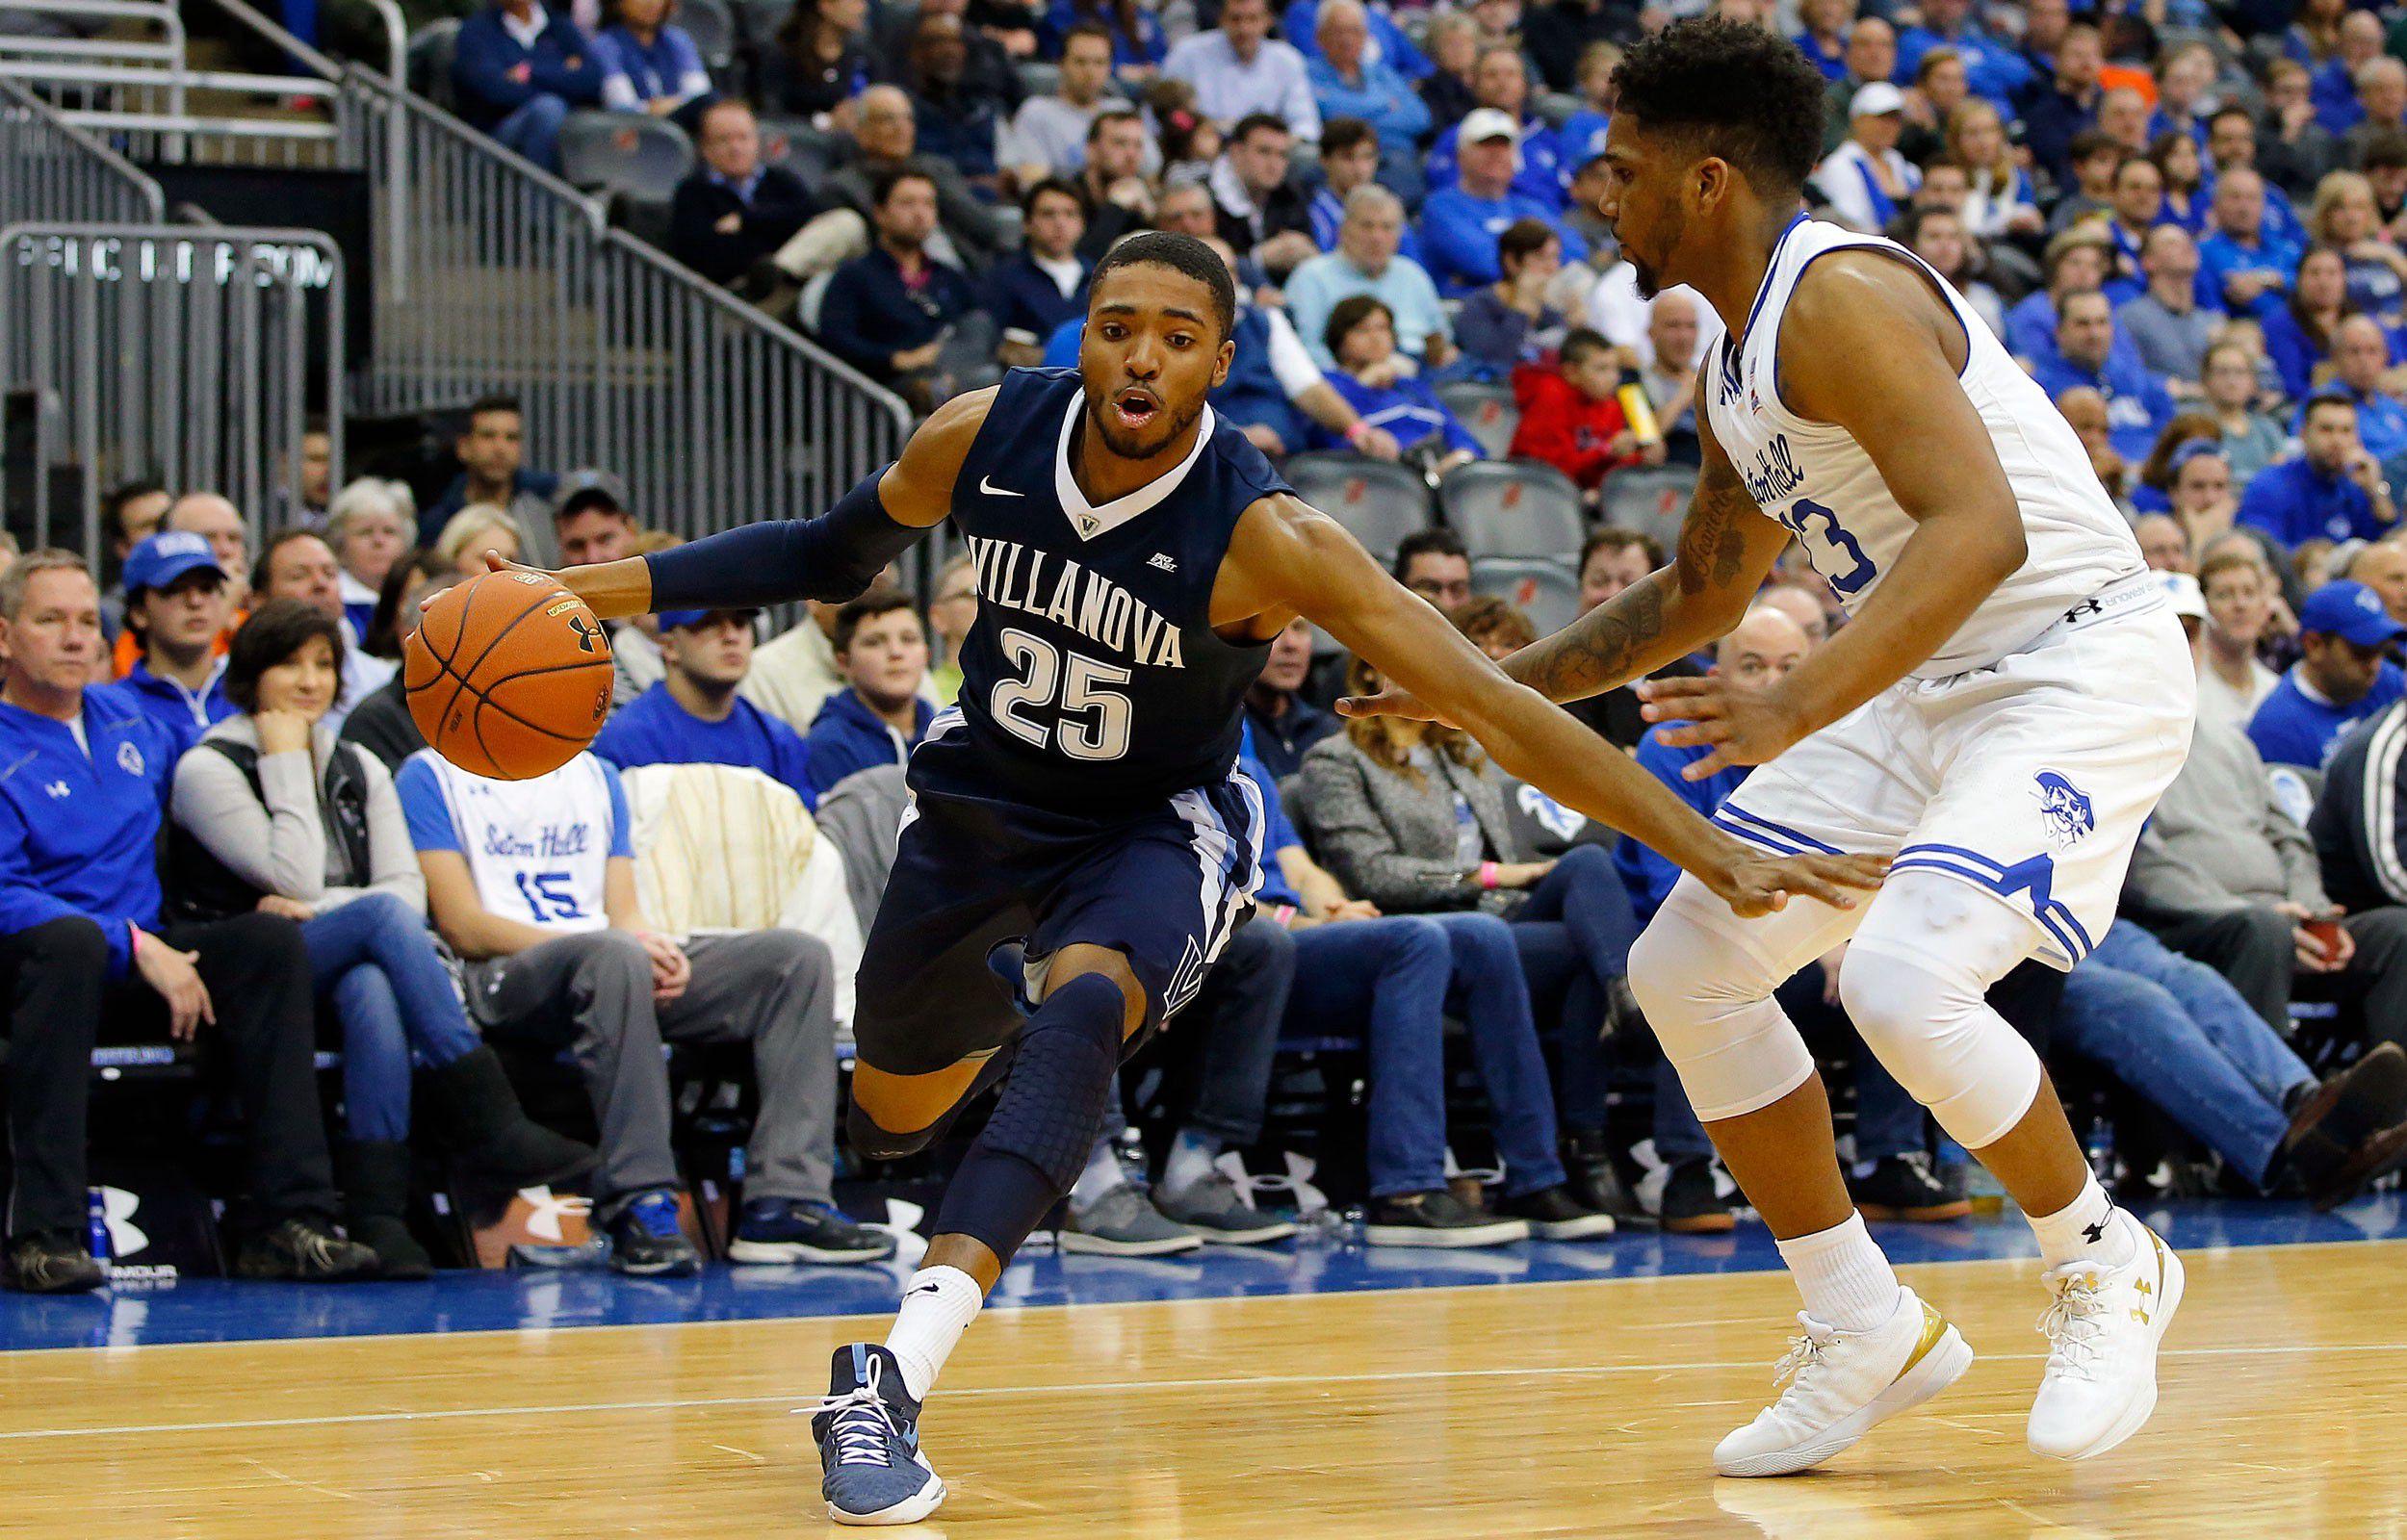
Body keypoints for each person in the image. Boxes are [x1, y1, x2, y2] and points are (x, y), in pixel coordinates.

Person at [518, 228, 1876, 1524]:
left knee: (1085, 1009)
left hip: (1152, 824)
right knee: (891, 1116)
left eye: (1176, 337)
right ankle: (1017, 1020)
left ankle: (889, 1379)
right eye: (1117, 328)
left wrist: (1704, 842)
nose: (1142, 357)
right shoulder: (982, 433)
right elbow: (822, 555)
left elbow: (1493, 704)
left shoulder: (1267, 532)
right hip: (982, 812)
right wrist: (578, 590)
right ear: (1082, 341)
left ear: (1220, 362)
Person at [1353, 21, 2195, 1476]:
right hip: (1923, 680)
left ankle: (2104, 1254)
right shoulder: (1736, 364)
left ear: (1707, 180)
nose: (1599, 195)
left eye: (1623, 169)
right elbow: (1698, 596)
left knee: (1903, 981)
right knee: (1685, 968)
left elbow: (1981, 532)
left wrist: (1796, 704)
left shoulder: (1840, 295)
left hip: (2073, 665)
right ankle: (1863, 1321)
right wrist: (1480, 692)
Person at [166, 601, 599, 1278]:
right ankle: (491, 1123)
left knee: (372, 984)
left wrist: (327, 907)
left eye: (324, 664)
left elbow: (404, 892)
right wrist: (285, 761)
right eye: (289, 664)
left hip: (331, 948)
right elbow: (291, 874)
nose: (310, 681)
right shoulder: (208, 767)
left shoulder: (359, 762)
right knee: (378, 926)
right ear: (251, 675)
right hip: (239, 967)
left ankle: (378, 1213)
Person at [0, 552, 379, 1291]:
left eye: (87, 621)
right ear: (5, 637)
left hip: (147, 957)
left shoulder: (132, 720)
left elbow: (209, 797)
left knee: (267, 942)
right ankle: (42, 1237)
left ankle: (288, 1223)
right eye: (50, 620)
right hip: (38, 968)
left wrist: (257, 887)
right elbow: (6, 892)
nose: (75, 637)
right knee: (70, 944)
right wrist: (130, 942)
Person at [397, 737, 890, 1277]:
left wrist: (655, 951)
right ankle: (641, 1203)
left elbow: (624, 913)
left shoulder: (595, 774)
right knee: (614, 956)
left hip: (608, 963)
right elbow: (463, 926)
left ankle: (784, 1203)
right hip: (500, 976)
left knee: (794, 960)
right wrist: (614, 947)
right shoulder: (430, 774)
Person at [1293, 654, 1627, 1236]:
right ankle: (1563, 1161)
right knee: (1574, 950)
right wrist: (1487, 877)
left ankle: (1622, 990)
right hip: (1420, 927)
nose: (1435, 664)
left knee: (1589, 865)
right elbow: (1373, 873)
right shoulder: (1337, 760)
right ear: (1370, 674)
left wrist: (1505, 883)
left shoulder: (1464, 753)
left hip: (1497, 921)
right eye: (1415, 654)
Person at [590, 605, 820, 807]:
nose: (731, 636)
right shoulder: (629, 739)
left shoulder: (778, 738)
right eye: (709, 623)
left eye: (740, 623)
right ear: (669, 645)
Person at [815, 168, 979, 391]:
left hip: (955, 378)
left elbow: (976, 326)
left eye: (928, 204)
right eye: (907, 203)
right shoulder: (854, 275)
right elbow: (836, 340)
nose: (920, 214)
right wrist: (896, 359)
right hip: (884, 390)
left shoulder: (949, 277)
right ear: (880, 213)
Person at [1283, 185, 1453, 371]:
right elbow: (1307, 350)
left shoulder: (1413, 274)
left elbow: (1442, 338)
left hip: (1420, 374)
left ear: (1399, 235)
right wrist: (1351, 379)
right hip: (1349, 378)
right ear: (1344, 230)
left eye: (1387, 227)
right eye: (1367, 226)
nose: (1377, 237)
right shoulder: (1311, 277)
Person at [1419, 110, 1585, 297]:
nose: (1496, 153)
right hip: (1470, 306)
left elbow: (1575, 249)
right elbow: (1482, 263)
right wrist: (1545, 262)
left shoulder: (1527, 206)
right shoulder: (1441, 207)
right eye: (1485, 145)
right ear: (1461, 155)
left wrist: (1525, 263)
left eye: (1504, 146)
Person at [2248, 579, 2407, 770]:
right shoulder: (2277, 730)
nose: (2375, 665)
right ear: (2314, 645)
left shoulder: (2383, 680)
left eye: (2381, 650)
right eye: (2361, 652)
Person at [1314, 296, 1483, 471]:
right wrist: (1361, 385)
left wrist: (1462, 455)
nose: (1375, 338)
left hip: (1439, 470)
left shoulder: (1412, 386)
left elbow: (1457, 433)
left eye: (1382, 328)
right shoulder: (1326, 385)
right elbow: (1326, 440)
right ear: (1339, 339)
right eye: (1362, 330)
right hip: (1374, 474)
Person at [667, 99, 820, 290]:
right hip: (732, 296)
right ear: (705, 148)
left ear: (756, 141)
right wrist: (777, 229)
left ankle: (777, 270)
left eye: (743, 138)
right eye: (724, 140)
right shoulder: (692, 192)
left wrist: (746, 221)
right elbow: (705, 255)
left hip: (794, 286)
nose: (736, 148)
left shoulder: (781, 180)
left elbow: (811, 217)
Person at [804, 588, 937, 797]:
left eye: (909, 639)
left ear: (927, 655)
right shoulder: (830, 743)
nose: (896, 652)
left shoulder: (949, 735)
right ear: (843, 662)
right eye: (874, 642)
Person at [452, 0, 606, 173]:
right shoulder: (476, 31)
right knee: (548, 109)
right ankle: (538, 191)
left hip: (564, 129)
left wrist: (530, 73)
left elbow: (593, 78)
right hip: (496, 140)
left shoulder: (560, 26)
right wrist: (564, 74)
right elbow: (494, 89)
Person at [117, 532, 236, 749]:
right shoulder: (116, 708)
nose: (195, 601)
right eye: (174, 590)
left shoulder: (253, 691)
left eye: (207, 588)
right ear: (139, 612)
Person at [2030, 291, 2175, 465]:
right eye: (2083, 324)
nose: (2094, 334)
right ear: (2059, 331)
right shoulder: (2040, 389)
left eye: (2101, 322)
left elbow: (2170, 436)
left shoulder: (2135, 376)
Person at [2239, 394, 2397, 548]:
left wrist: (2376, 492)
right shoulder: (2271, 485)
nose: (2337, 441)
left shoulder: (2357, 485)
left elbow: (2389, 549)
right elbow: (2262, 550)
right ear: (2303, 434)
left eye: (2346, 431)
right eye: (2326, 430)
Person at [417, 395, 561, 563]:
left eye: (511, 437)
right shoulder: (437, 523)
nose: (500, 448)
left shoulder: (549, 502)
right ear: (463, 447)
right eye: (488, 436)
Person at [1507, 327, 1649, 493]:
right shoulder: (1551, 395)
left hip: (1582, 495)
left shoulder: (1612, 405)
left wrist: (1638, 457)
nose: (1614, 378)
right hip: (1536, 493)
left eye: (1616, 369)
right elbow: (1550, 470)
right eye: (1602, 369)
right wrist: (1608, 451)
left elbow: (1610, 469)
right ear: (1571, 372)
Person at [1159, 0, 1318, 142]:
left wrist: (1278, 145)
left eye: (1252, 19)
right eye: (1236, 19)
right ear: (1221, 19)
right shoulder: (1187, 53)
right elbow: (1165, 114)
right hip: (1202, 148)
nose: (1244, 29)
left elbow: (1305, 124)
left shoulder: (1287, 59)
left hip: (1269, 152)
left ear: (1268, 20)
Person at [999, 23, 1126, 188]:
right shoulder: (1037, 112)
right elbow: (1035, 183)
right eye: (1081, 62)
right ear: (1061, 63)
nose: (1090, 72)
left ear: (1110, 67)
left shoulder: (1122, 111)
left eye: (1099, 62)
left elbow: (1151, 173)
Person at [982, 180, 1090, 367]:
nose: (1060, 223)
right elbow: (990, 339)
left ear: (1082, 224)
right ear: (1027, 224)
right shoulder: (1004, 278)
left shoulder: (1101, 277)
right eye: (1048, 214)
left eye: (1070, 214)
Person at [1453, 218, 1566, 382]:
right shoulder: (1479, 306)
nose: (1552, 267)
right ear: (1512, 261)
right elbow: (1494, 363)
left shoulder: (1551, 308)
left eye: (1555, 257)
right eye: (1541, 258)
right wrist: (1520, 312)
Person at [1206, 114, 1317, 280]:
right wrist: (1258, 258)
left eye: (1282, 155)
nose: (1274, 164)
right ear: (1236, 152)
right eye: (1264, 152)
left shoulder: (1289, 194)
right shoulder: (1207, 197)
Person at [2115, 226, 2218, 393]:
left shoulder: (2211, 322)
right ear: (2148, 262)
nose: (2186, 247)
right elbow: (2123, 372)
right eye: (2171, 243)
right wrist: (2163, 385)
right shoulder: (2130, 318)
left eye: (2188, 242)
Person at [1811, 83, 1918, 234]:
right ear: (1858, 120)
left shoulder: (1899, 163)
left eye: (1896, 120)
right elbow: (1851, 223)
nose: (1890, 126)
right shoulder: (1840, 165)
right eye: (1881, 119)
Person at [2195, 546, 2283, 731]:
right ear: (2204, 607)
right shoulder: (2191, 693)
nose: (2240, 604)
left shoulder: (2275, 690)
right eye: (2224, 595)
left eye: (2249, 593)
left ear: (2264, 606)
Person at [1241, 616, 1335, 780]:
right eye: (1273, 628)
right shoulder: (1219, 736)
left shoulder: (1327, 730)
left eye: (1299, 628)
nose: (1291, 644)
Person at [592, 0, 713, 125]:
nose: (651, 3)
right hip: (635, 129)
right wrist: (654, 108)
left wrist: (668, 106)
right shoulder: (605, 45)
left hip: (684, 124)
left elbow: (700, 94)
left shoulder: (678, 39)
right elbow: (621, 106)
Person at [2306, 316, 2407, 463]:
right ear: (2335, 357)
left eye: (2372, 351)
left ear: (2385, 357)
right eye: (2354, 352)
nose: (2363, 361)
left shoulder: (2391, 405)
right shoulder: (2322, 403)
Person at [324, 479, 413, 642]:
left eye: (389, 531)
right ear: (340, 546)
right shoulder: (332, 601)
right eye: (365, 532)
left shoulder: (419, 596)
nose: (379, 541)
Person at [759, 0, 869, 119]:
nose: (863, 8)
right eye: (855, 1)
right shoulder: (783, 55)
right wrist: (826, 121)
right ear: (826, 5)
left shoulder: (863, 56)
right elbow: (771, 112)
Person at [926, 553, 976, 705]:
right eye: (973, 592)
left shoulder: (1032, 689)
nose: (987, 603)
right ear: (938, 617)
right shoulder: (922, 694)